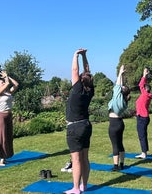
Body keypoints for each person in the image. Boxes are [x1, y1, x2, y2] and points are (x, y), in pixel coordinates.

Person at [64, 49, 94, 194]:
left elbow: (75, 69)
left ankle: (76, 188)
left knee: (76, 160)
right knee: (85, 158)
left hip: (75, 127)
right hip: (86, 125)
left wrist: (75, 54)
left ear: (81, 80)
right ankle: (85, 185)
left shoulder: (77, 89)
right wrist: (84, 56)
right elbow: (87, 71)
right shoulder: (90, 89)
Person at [107, 64, 131, 171]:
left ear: (120, 92)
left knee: (115, 145)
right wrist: (121, 75)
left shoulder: (117, 97)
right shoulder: (124, 101)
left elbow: (117, 85)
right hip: (120, 123)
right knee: (120, 143)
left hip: (113, 123)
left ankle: (116, 166)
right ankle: (122, 164)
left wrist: (120, 74)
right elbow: (119, 87)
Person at [0, 70, 19, 166]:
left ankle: (3, 158)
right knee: (0, 137)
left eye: (3, 82)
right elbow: (7, 83)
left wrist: (9, 77)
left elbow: (16, 84)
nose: (3, 83)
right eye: (1, 83)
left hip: (9, 116)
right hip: (1, 117)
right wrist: (6, 78)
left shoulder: (8, 93)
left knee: (8, 137)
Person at [135, 67, 152, 159]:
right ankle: (144, 151)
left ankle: (144, 153)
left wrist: (144, 75)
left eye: (143, 88)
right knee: (143, 135)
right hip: (143, 117)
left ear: (146, 89)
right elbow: (142, 85)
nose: (141, 88)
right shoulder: (146, 95)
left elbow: (141, 84)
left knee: (141, 135)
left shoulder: (145, 94)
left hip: (142, 118)